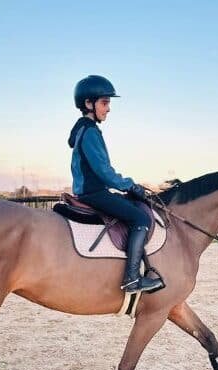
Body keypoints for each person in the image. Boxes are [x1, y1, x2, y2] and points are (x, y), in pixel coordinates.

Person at [67, 75, 164, 294]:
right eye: (104, 102)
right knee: (140, 218)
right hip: (94, 192)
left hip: (90, 191)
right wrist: (131, 186)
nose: (108, 108)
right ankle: (132, 279)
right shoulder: (90, 131)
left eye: (108, 103)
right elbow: (104, 171)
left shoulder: (83, 129)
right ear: (88, 104)